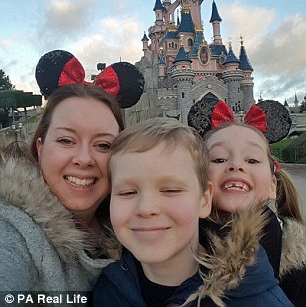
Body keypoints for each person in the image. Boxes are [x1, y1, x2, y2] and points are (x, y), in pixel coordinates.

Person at [93, 117, 293, 307]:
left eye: (171, 190)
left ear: (204, 199)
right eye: (127, 192)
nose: (146, 208)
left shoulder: (260, 299)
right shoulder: (105, 287)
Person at [0, 49, 144, 293]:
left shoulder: (141, 225)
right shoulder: (13, 228)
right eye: (66, 140)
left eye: (103, 145)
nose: (84, 159)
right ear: (40, 147)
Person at [199, 100, 306, 307]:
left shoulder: (298, 270)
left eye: (253, 160)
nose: (236, 165)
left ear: (273, 185)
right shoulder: (173, 250)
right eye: (219, 159)